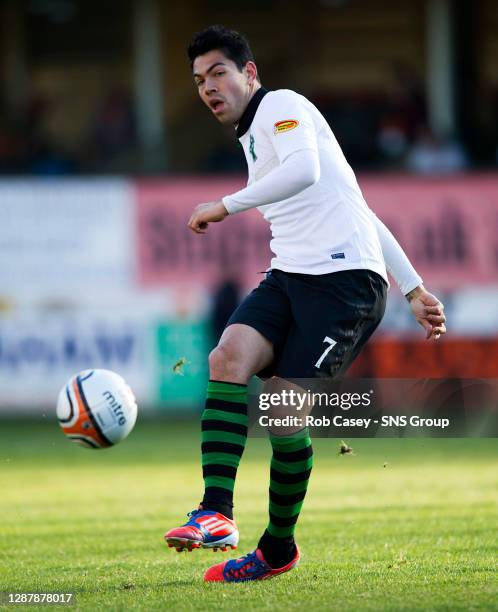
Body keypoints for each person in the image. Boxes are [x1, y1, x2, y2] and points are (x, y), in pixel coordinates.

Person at [164, 25, 446, 583]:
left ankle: (277, 550)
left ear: (249, 73)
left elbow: (306, 171)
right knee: (227, 358)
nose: (208, 88)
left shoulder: (281, 106)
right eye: (199, 80)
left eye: (218, 72)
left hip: (345, 285)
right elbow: (356, 205)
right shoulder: (253, 138)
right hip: (291, 274)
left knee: (282, 410)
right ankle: (216, 512)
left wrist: (225, 204)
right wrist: (415, 287)